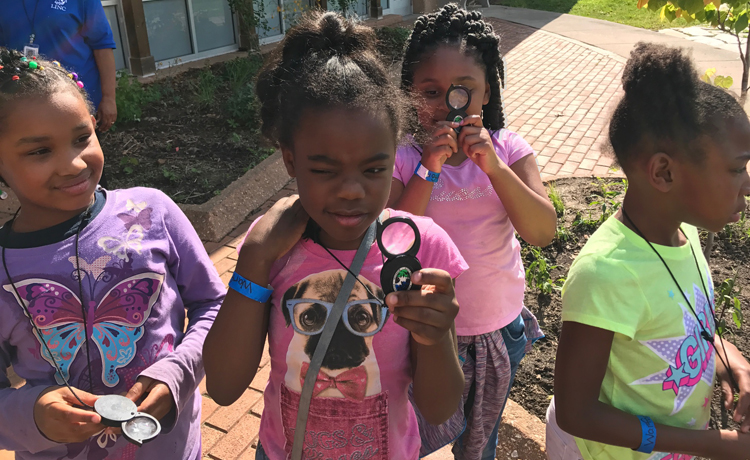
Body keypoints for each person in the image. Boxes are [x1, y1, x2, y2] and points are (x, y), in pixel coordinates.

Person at [203, 12, 468, 460]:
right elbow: (225, 388)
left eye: (374, 169)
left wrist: (437, 335)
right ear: (290, 160)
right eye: (324, 170)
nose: (351, 190)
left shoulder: (423, 247)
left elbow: (440, 408)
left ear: (394, 158)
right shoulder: (272, 247)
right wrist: (252, 262)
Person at [0, 48, 224, 459]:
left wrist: (180, 371)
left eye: (82, 137)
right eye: (38, 151)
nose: (73, 164)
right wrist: (31, 413)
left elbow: (213, 303)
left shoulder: (152, 211)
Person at [547, 42, 750, 460]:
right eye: (736, 168)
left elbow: (691, 327)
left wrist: (732, 362)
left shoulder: (684, 236)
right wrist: (712, 445)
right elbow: (575, 412)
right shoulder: (605, 273)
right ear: (663, 172)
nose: (746, 183)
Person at [388, 5, 556, 459]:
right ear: (410, 94)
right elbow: (393, 240)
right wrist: (428, 169)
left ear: (486, 93)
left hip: (498, 329)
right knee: (410, 435)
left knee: (479, 443)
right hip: (421, 331)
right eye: (431, 91)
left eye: (464, 91)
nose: (448, 104)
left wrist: (495, 167)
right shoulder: (404, 159)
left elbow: (542, 230)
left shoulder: (510, 150)